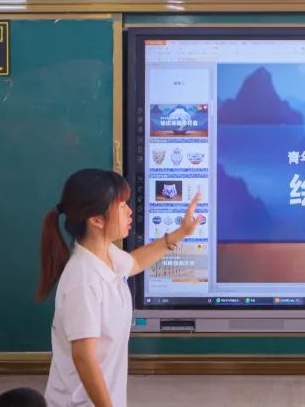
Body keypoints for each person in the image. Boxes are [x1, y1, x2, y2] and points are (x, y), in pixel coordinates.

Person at [37, 168, 203, 407]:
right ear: (96, 220)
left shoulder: (107, 255)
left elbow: (135, 262)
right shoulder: (83, 279)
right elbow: (83, 357)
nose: (129, 211)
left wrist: (181, 233)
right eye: (122, 205)